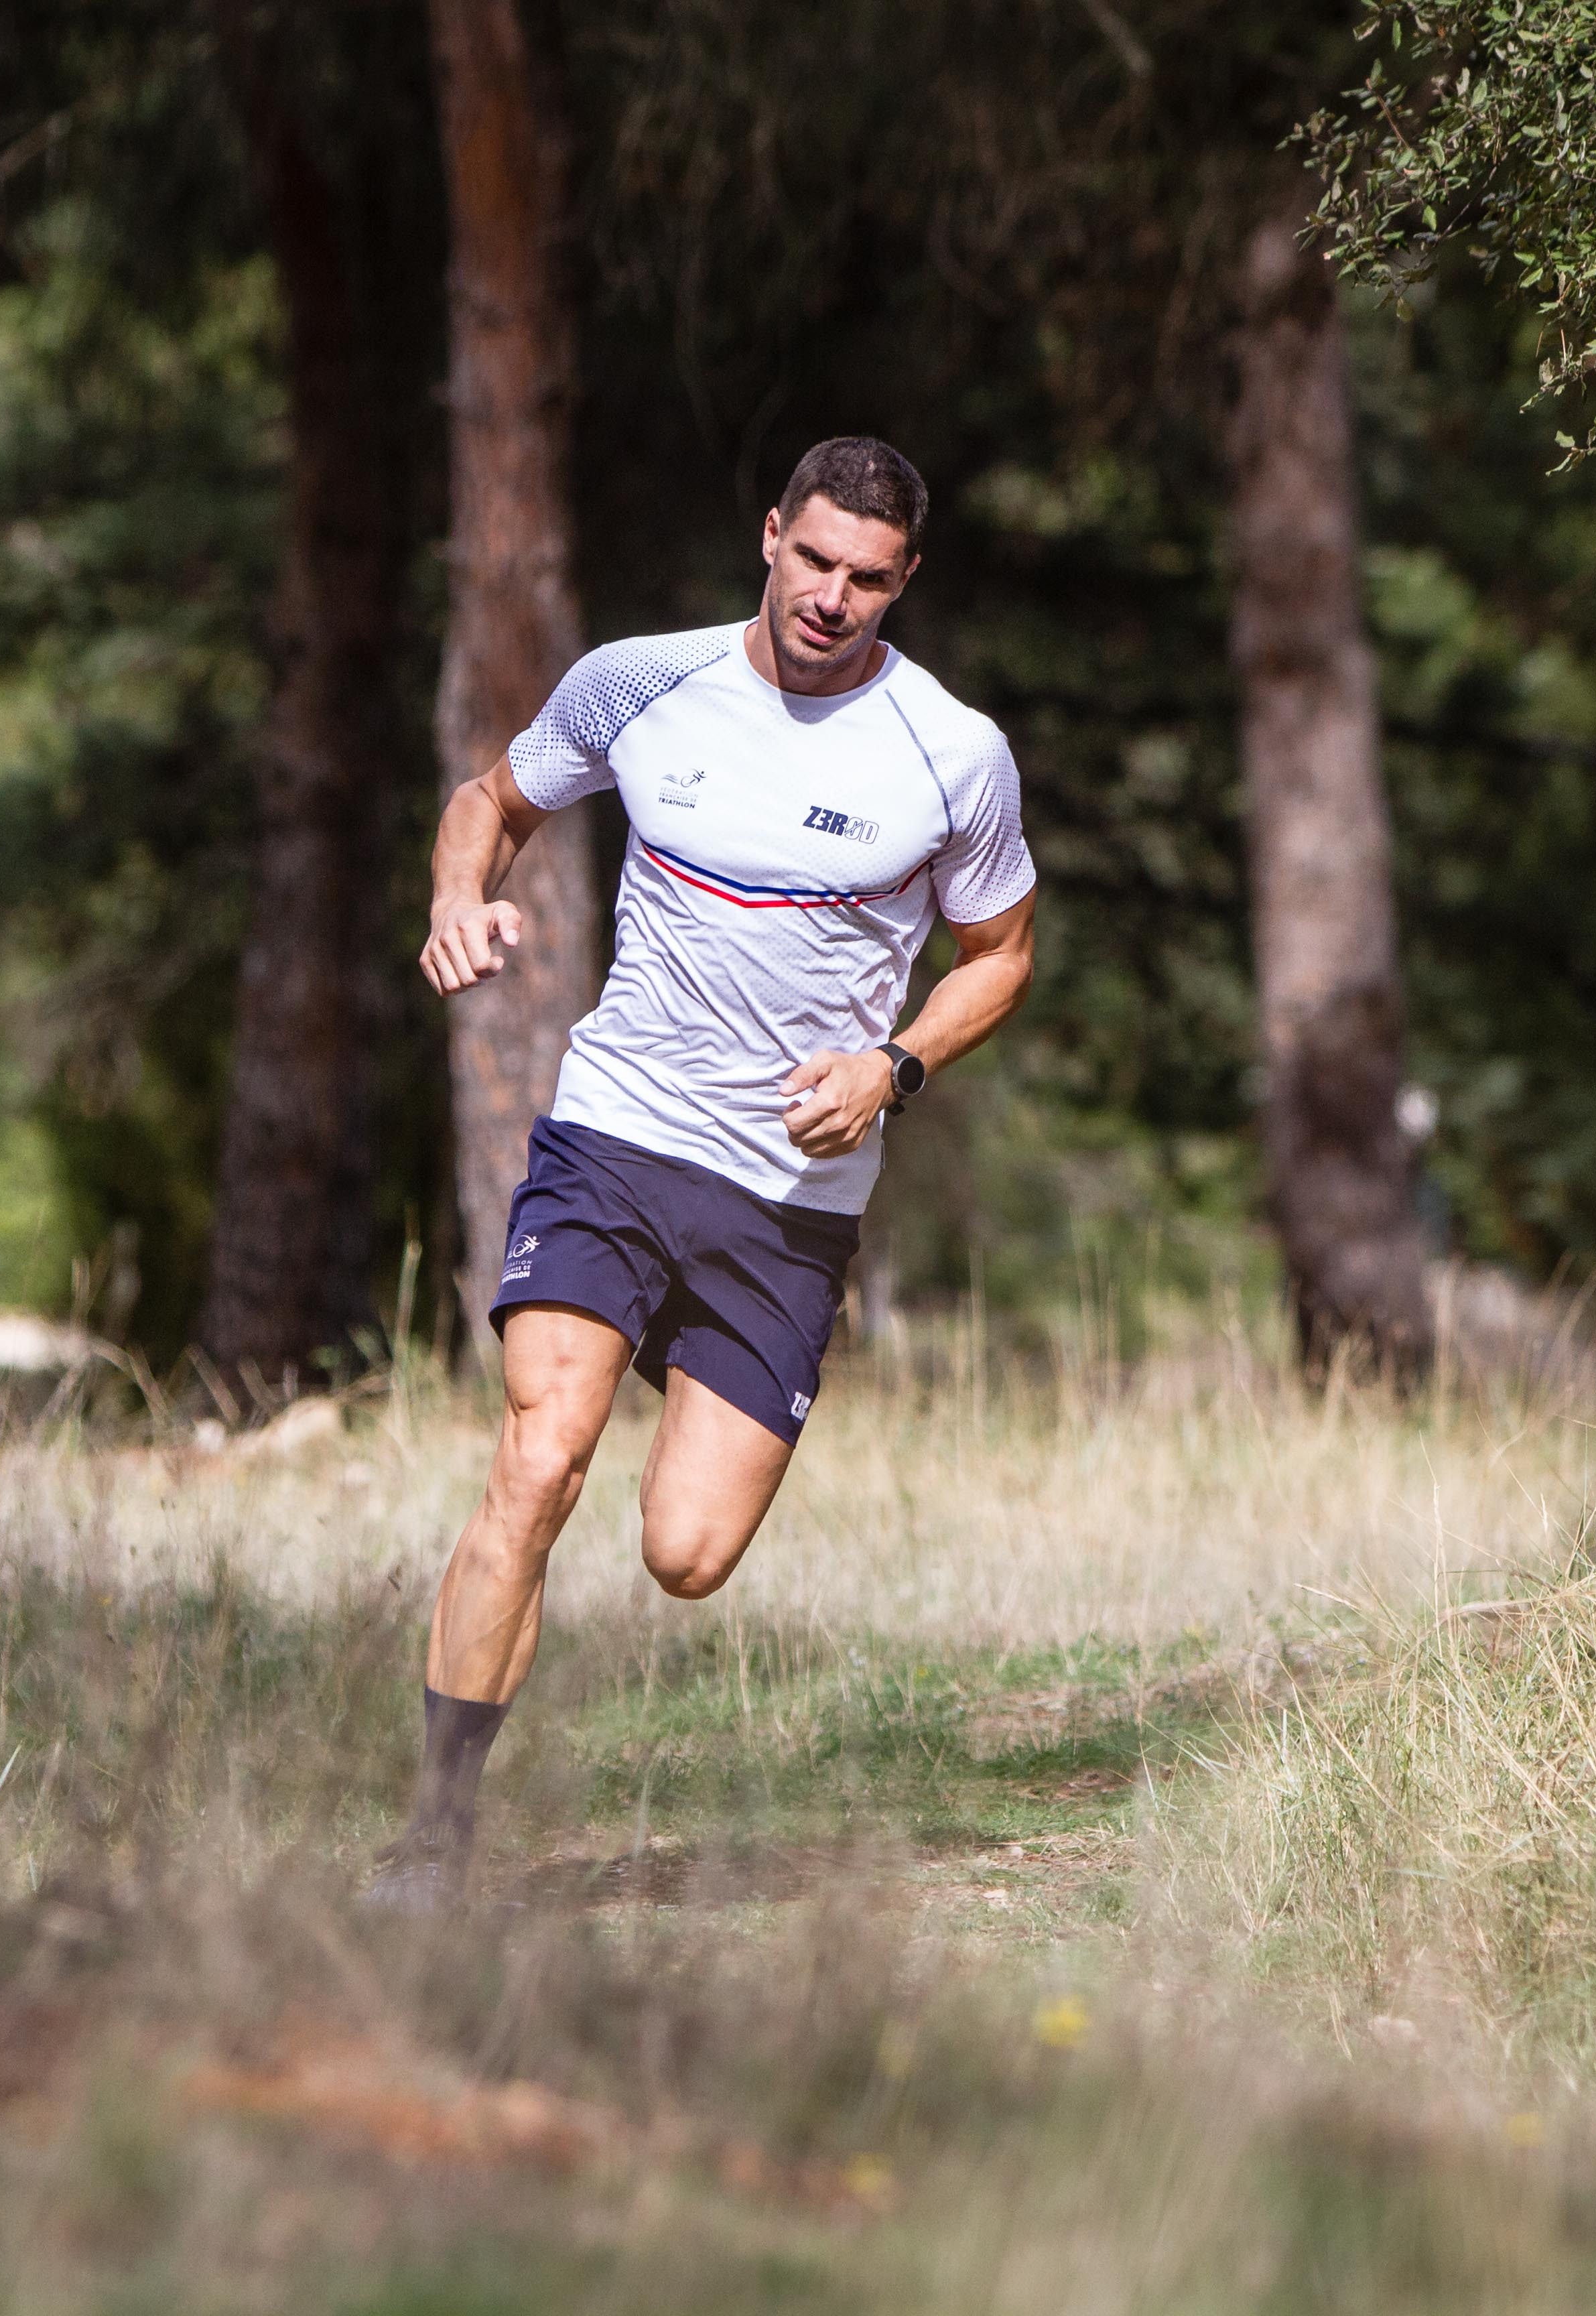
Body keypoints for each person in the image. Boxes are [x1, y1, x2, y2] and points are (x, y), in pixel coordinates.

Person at [372, 436, 1039, 1906]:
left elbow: (1002, 957)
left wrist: (896, 1068)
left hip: (788, 1200)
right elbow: (492, 797)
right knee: (540, 1460)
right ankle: (433, 1837)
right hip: (619, 1130)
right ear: (769, 539)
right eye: (814, 562)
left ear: (904, 583)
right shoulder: (641, 680)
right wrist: (454, 896)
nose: (833, 600)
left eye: (869, 579)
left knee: (685, 1553)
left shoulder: (951, 753)